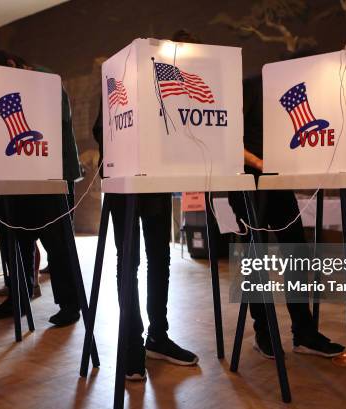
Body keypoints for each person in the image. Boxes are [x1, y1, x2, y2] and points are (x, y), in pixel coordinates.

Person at [91, 31, 201, 381]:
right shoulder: (128, 74)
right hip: (125, 185)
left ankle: (158, 337)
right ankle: (131, 346)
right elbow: (100, 128)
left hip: (157, 184)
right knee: (130, 263)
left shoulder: (174, 85)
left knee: (160, 260)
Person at [228, 69, 345, 359]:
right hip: (246, 180)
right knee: (256, 260)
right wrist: (258, 161)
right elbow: (225, 136)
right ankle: (263, 333)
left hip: (277, 181)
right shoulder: (250, 87)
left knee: (296, 251)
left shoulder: (288, 91)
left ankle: (303, 333)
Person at [0, 49, 83, 327]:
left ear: (13, 65)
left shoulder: (45, 78)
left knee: (57, 244)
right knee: (15, 239)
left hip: (50, 174)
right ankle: (19, 297)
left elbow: (59, 119)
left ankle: (70, 304)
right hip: (15, 171)